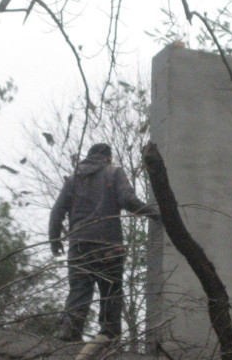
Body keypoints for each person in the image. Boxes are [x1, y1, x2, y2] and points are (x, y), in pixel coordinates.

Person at [48, 143, 160, 343]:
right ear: (108, 157)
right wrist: (155, 214)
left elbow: (57, 212)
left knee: (79, 290)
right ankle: (109, 338)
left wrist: (55, 240)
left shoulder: (73, 179)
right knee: (111, 292)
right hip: (109, 245)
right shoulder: (113, 172)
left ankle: (69, 332)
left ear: (89, 157)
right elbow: (128, 200)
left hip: (79, 245)